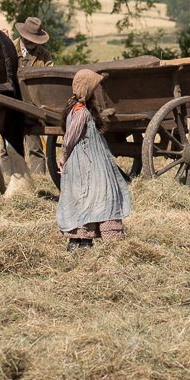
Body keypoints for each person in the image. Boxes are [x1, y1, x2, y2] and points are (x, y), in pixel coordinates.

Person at [56, 69, 131, 249]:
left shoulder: (82, 109)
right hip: (86, 165)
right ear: (89, 88)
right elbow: (70, 139)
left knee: (87, 200)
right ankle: (81, 242)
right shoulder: (81, 112)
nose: (99, 90)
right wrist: (64, 157)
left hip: (88, 163)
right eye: (97, 86)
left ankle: (84, 242)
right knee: (95, 197)